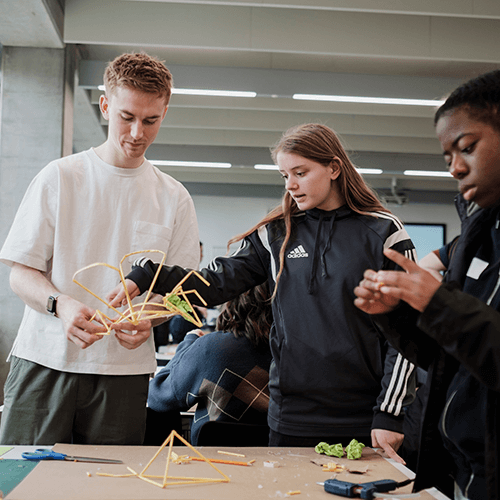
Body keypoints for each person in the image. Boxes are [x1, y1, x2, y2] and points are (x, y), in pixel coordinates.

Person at [109, 123, 416, 461]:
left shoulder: (384, 232)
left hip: (363, 415)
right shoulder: (276, 235)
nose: (291, 185)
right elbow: (217, 282)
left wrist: (390, 412)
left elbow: (406, 333)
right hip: (290, 415)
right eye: (285, 175)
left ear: (334, 168)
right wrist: (151, 274)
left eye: (300, 172)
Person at [0, 52, 200, 445]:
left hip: (123, 373)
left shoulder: (174, 197)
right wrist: (61, 305)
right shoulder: (60, 177)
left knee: (108, 485)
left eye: (150, 120)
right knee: (21, 482)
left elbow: (179, 293)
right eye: (127, 117)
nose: (137, 132)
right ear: (106, 105)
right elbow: (20, 272)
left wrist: (151, 320)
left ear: (164, 111)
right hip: (45, 360)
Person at [353, 69, 500, 499]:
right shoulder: (479, 237)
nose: (455, 167)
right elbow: (447, 358)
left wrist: (439, 304)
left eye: (468, 148)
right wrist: (396, 314)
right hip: (468, 471)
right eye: (447, 156)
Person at [148, 281, 273, 445]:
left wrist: (188, 344)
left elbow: (159, 397)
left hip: (210, 462)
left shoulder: (213, 347)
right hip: (278, 460)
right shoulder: (298, 352)